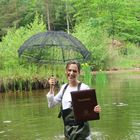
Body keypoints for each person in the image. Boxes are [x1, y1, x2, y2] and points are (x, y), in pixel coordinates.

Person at [46, 60, 101, 140]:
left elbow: (93, 109)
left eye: (74, 71)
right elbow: (51, 105)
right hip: (68, 133)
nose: (71, 73)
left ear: (79, 73)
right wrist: (51, 88)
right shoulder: (64, 88)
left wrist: (97, 109)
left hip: (82, 134)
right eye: (69, 70)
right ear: (66, 71)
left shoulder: (84, 88)